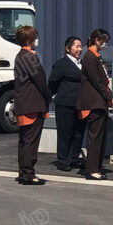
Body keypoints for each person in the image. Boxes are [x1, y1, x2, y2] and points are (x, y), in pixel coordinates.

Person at [13, 25, 51, 186]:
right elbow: (40, 80)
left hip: (23, 104)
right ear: (29, 40)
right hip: (33, 105)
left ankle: (23, 172)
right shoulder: (30, 57)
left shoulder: (19, 56)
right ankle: (29, 174)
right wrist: (49, 96)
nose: (37, 40)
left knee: (24, 140)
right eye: (35, 37)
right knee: (31, 141)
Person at [78, 29, 113, 180]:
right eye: (103, 41)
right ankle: (92, 169)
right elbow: (97, 81)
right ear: (96, 40)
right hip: (94, 102)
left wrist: (109, 97)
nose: (104, 44)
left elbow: (103, 81)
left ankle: (97, 167)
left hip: (100, 101)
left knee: (101, 136)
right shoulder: (89, 57)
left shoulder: (97, 57)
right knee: (94, 137)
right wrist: (108, 97)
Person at [48, 36, 85, 172]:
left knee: (78, 132)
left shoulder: (82, 63)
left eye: (80, 46)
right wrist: (53, 95)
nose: (79, 49)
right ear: (68, 48)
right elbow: (53, 82)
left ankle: (75, 158)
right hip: (65, 103)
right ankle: (64, 160)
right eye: (77, 46)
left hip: (80, 103)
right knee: (65, 132)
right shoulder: (62, 64)